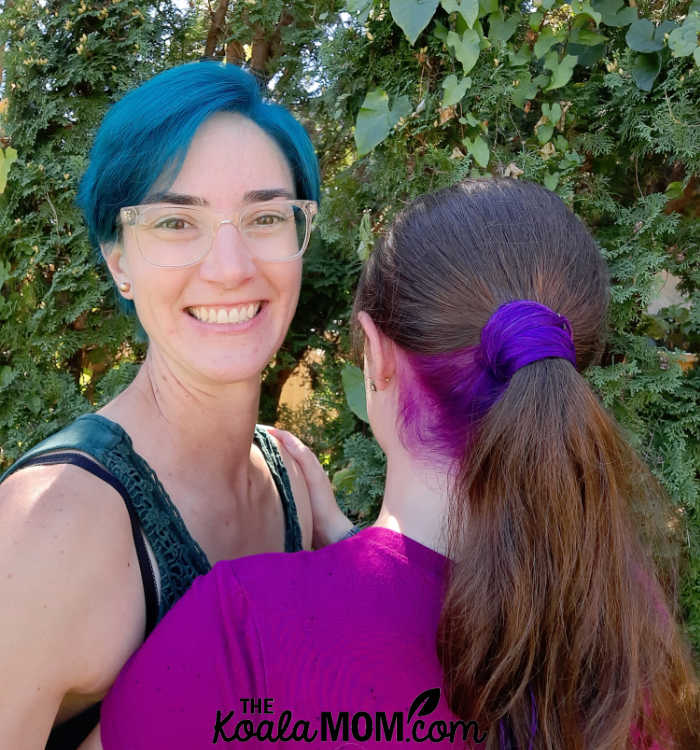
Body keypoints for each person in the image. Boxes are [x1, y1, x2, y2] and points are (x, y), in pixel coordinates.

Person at [92, 179, 699, 749]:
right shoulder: (628, 623)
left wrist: (342, 574)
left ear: (375, 353)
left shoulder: (240, 631)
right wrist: (356, 552)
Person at [0, 61, 352, 750]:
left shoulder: (291, 478)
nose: (230, 265)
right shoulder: (52, 529)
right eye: (174, 222)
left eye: (266, 216)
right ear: (118, 262)